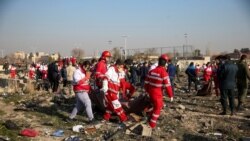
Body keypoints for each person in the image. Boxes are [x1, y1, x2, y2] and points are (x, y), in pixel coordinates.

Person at [144, 54, 173, 128]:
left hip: (151, 92)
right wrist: (171, 95)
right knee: (158, 108)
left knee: (155, 105)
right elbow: (168, 86)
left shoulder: (151, 71)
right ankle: (152, 124)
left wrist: (147, 91)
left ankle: (148, 116)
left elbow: (146, 83)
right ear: (166, 63)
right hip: (157, 94)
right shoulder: (164, 73)